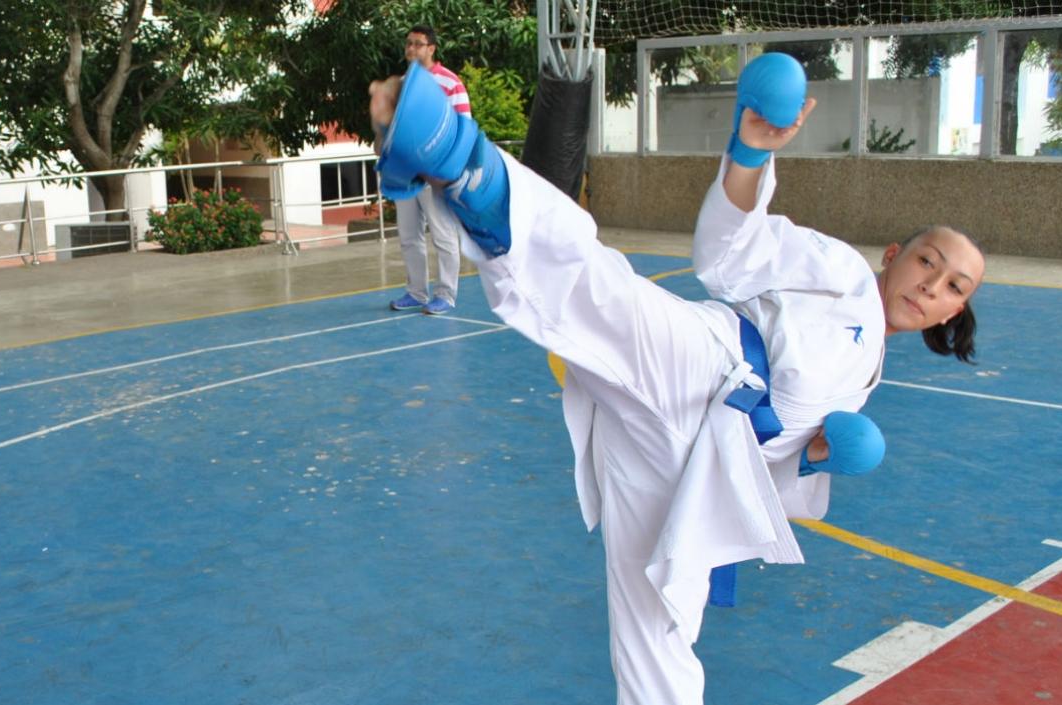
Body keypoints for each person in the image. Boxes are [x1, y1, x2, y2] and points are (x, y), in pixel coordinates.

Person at [370, 54, 984, 705]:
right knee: (603, 293)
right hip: (709, 366)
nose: (931, 285)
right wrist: (749, 153)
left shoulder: (864, 380)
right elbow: (728, 253)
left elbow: (773, 471)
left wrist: (817, 455)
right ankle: (459, 158)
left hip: (704, 470)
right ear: (895, 256)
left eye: (953, 287)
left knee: (658, 627)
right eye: (927, 261)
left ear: (954, 311)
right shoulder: (840, 271)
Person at [386, 24, 471, 316]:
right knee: (409, 236)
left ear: (431, 48)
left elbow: (462, 127)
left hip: (435, 175)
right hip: (406, 175)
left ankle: (446, 295)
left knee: (443, 235)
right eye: (408, 44)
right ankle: (417, 292)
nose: (411, 49)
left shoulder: (449, 83)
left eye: (418, 44)